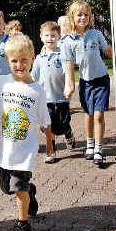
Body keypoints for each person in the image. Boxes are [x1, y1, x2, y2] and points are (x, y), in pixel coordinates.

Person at [0, 34, 53, 231]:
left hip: (25, 151)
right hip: (5, 150)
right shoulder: (1, 83)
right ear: (8, 61)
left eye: (24, 60)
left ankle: (23, 225)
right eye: (14, 60)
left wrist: (50, 141)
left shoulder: (36, 90)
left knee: (18, 187)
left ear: (32, 59)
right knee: (7, 187)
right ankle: (30, 192)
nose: (19, 65)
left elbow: (45, 120)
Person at [61, 0, 113, 167]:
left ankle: (99, 148)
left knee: (98, 115)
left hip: (102, 80)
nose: (83, 18)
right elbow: (68, 63)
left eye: (86, 15)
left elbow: (108, 51)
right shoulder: (68, 41)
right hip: (86, 83)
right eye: (79, 15)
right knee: (89, 114)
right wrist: (70, 84)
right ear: (72, 17)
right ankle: (89, 144)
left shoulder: (96, 34)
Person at [31, 21, 76, 164]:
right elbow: (34, 76)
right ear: (41, 37)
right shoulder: (39, 58)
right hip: (46, 99)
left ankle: (68, 133)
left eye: (53, 35)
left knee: (63, 124)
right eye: (47, 35)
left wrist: (69, 86)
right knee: (48, 126)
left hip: (61, 98)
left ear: (58, 37)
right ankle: (51, 150)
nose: (50, 38)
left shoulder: (62, 55)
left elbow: (68, 73)